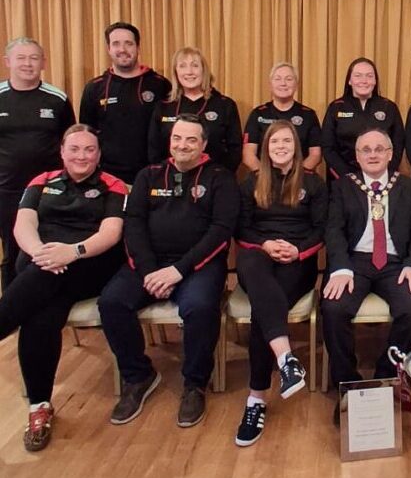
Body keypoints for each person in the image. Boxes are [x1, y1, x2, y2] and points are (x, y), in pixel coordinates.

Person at [99, 114, 238, 429]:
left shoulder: (221, 178)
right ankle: (138, 376)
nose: (182, 145)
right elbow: (133, 225)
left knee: (200, 308)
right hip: (149, 264)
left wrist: (178, 270)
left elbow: (221, 231)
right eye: (177, 138)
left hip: (198, 265)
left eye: (191, 139)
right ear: (170, 141)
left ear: (203, 144)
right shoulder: (148, 175)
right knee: (111, 302)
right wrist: (150, 270)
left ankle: (194, 384)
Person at [0, 125, 126, 451]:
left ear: (98, 154)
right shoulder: (41, 181)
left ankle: (37, 405)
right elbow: (23, 224)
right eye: (74, 149)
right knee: (40, 316)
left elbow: (110, 233)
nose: (81, 156)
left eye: (89, 149)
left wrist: (73, 251)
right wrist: (42, 253)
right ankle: (39, 407)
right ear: (62, 152)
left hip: (89, 264)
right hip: (43, 262)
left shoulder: (112, 185)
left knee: (41, 286)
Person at [322, 127, 411, 418]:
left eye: (379, 149)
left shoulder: (409, 187)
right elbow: (333, 231)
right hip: (353, 262)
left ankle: (385, 377)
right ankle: (348, 385)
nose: (372, 155)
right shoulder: (343, 187)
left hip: (395, 264)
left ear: (390, 154)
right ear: (357, 156)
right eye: (365, 150)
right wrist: (340, 267)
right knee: (333, 308)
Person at [234, 120, 327, 446]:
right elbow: (241, 229)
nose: (281, 147)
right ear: (266, 148)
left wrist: (298, 250)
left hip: (297, 261)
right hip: (258, 256)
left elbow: (322, 229)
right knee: (252, 264)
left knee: (263, 311)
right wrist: (265, 244)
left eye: (287, 141)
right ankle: (286, 360)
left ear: (296, 147)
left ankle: (256, 399)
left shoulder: (313, 183)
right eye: (275, 142)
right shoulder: (250, 182)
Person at [0, 37, 75, 291]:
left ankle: (44, 303)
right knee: (12, 253)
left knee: (48, 247)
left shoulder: (57, 98)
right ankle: (10, 307)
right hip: (7, 190)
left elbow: (70, 142)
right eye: (21, 58)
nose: (27, 64)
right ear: (7, 62)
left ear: (43, 63)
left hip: (49, 191)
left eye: (34, 58)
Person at [79, 21, 171, 184]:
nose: (122, 49)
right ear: (108, 49)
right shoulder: (94, 88)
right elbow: (87, 135)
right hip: (107, 178)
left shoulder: (160, 85)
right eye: (116, 44)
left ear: (138, 47)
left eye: (128, 43)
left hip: (154, 175)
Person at [148, 46, 242, 173]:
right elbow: (154, 150)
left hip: (214, 178)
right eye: (182, 66)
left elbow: (235, 150)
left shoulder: (225, 105)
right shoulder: (163, 107)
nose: (189, 72)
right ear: (176, 72)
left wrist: (220, 177)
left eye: (195, 65)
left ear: (204, 70)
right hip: (170, 177)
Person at [322, 57, 404, 182]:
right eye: (358, 76)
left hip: (381, 178)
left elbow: (398, 146)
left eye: (369, 76)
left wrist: (382, 174)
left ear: (375, 80)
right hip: (344, 178)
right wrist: (349, 178)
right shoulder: (336, 107)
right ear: (349, 81)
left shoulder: (389, 107)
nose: (364, 81)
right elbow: (328, 148)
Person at [243, 62, 322, 173]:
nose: (283, 83)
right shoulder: (258, 114)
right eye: (278, 79)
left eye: (289, 79)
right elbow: (248, 154)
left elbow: (315, 154)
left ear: (296, 84)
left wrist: (295, 176)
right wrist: (266, 176)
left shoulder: (308, 115)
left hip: (300, 176)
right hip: (265, 176)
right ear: (270, 84)